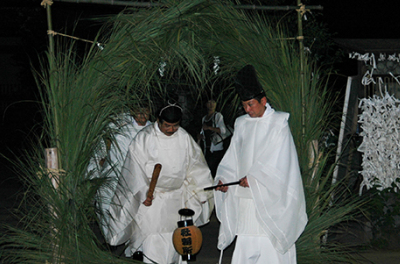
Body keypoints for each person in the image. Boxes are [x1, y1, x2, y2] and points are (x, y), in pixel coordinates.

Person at [214, 65, 307, 264]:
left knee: (271, 253)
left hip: (270, 200)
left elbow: (280, 162)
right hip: (246, 202)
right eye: (244, 105)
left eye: (251, 104)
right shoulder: (241, 124)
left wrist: (255, 178)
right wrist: (225, 180)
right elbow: (233, 158)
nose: (247, 110)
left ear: (263, 101)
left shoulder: (279, 123)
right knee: (245, 249)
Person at [106, 101, 214, 264]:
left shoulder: (184, 137)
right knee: (153, 243)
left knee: (176, 242)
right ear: (158, 120)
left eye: (175, 126)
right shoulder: (144, 138)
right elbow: (134, 170)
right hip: (153, 201)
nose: (171, 130)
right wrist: (144, 194)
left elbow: (196, 165)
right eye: (167, 126)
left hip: (177, 198)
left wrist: (201, 190)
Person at [95, 102, 152, 239]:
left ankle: (130, 241)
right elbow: (100, 135)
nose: (142, 115)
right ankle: (110, 237)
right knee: (104, 202)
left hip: (138, 177)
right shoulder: (120, 124)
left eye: (145, 111)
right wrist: (102, 155)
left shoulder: (152, 129)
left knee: (134, 209)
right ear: (132, 111)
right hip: (115, 172)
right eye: (138, 111)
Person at [197, 98, 228, 177]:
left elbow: (223, 130)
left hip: (216, 148)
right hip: (207, 148)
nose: (211, 105)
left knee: (213, 169)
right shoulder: (204, 118)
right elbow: (202, 132)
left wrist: (209, 128)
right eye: (209, 102)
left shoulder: (218, 116)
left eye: (213, 102)